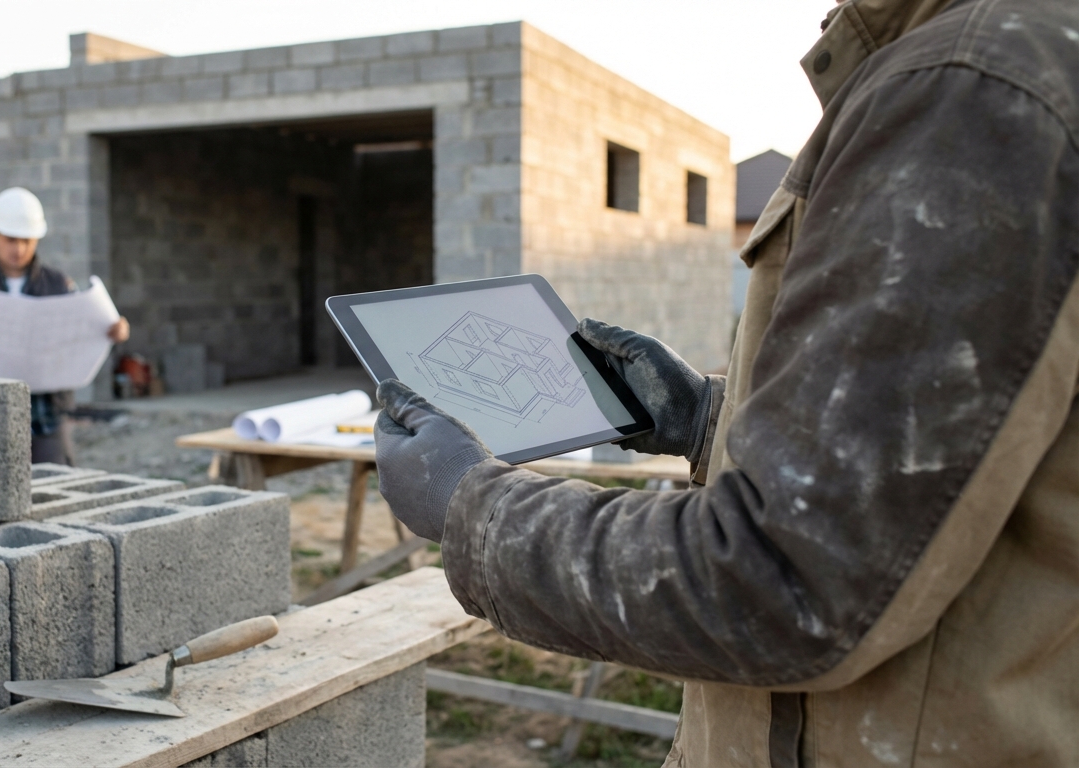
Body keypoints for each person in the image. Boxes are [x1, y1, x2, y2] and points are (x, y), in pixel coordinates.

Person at [373, 0, 1079, 764]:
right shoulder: (994, 63)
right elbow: (935, 457)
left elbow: (786, 581)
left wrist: (472, 506)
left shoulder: (967, 85)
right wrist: (709, 418)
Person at [0, 187, 129, 465]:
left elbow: (83, 332)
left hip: (46, 418)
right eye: (10, 239)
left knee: (53, 485)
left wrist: (114, 332)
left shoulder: (58, 284)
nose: (18, 249)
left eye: (26, 241)